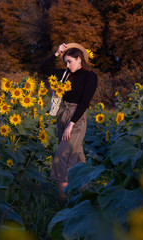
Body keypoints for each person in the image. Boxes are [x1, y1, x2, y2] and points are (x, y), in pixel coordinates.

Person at [39, 43, 98, 198]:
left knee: (62, 157)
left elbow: (85, 103)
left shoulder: (90, 76)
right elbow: (43, 68)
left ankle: (63, 201)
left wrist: (71, 125)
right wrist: (57, 52)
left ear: (79, 59)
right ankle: (86, 195)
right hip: (62, 114)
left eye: (70, 61)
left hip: (76, 119)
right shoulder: (66, 74)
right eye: (65, 62)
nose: (67, 65)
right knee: (77, 157)